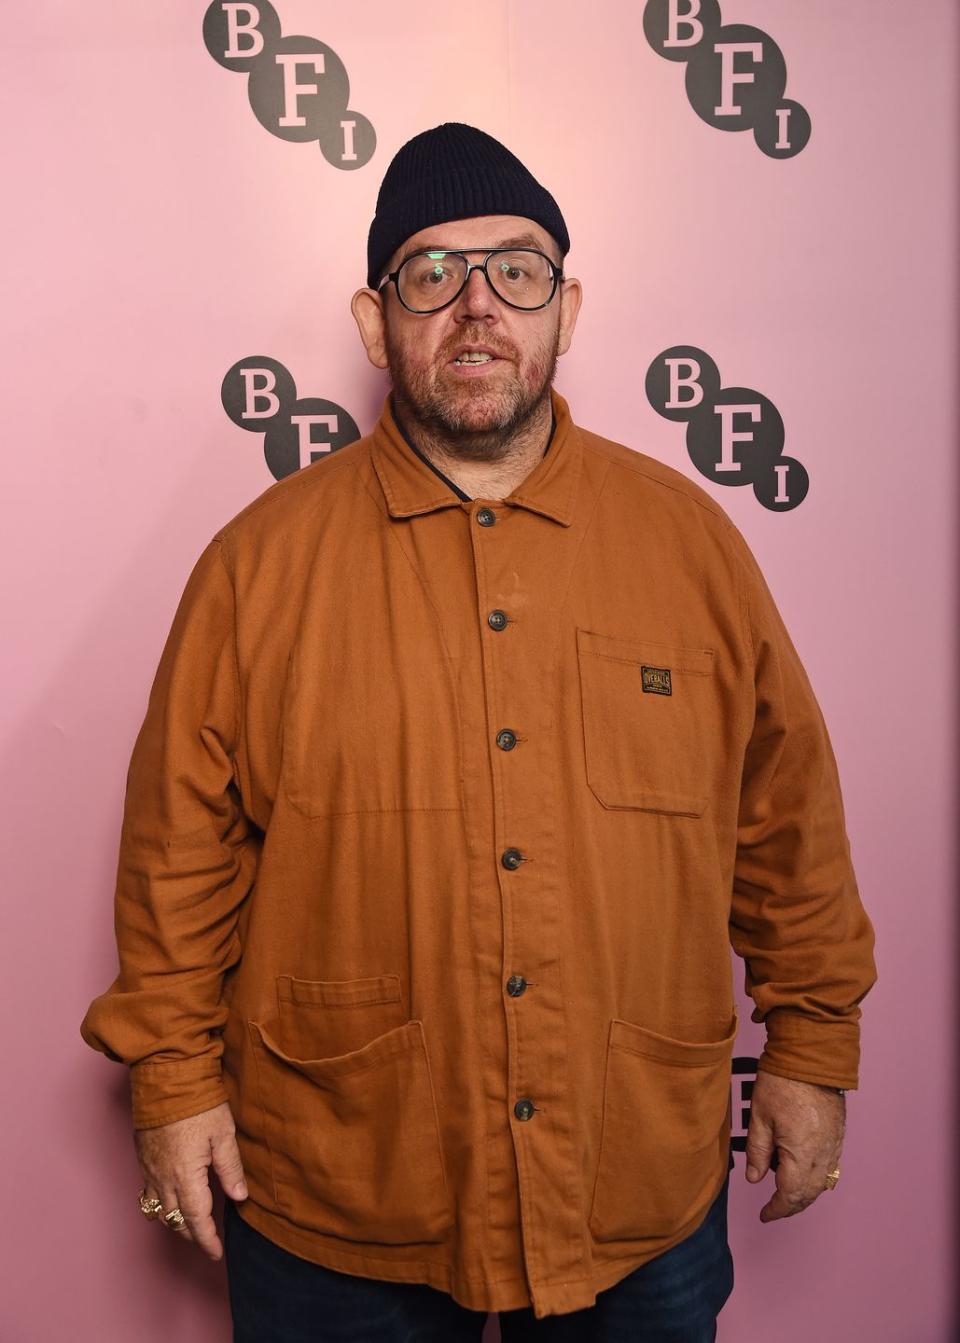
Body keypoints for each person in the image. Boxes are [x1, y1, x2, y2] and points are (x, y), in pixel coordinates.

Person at [80, 122, 878, 1342]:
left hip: (635, 1186)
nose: (474, 308)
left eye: (514, 272)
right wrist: (173, 1084)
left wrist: (814, 1046)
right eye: (431, 273)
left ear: (566, 308)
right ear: (373, 321)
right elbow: (176, 855)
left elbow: (787, 821)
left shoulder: (690, 544)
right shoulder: (259, 566)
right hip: (340, 1190)